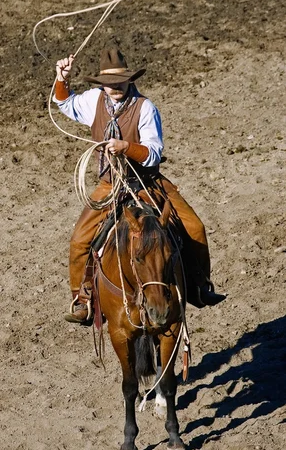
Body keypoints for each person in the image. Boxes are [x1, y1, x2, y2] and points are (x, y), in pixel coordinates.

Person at [54, 47, 226, 324]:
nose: (114, 88)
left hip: (146, 183)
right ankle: (82, 298)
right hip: (110, 185)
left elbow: (154, 152)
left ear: (129, 80)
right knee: (79, 240)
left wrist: (126, 147)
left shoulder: (145, 107)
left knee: (194, 228)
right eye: (109, 84)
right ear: (102, 85)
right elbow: (66, 104)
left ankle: (201, 286)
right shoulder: (93, 101)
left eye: (119, 82)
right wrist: (61, 79)